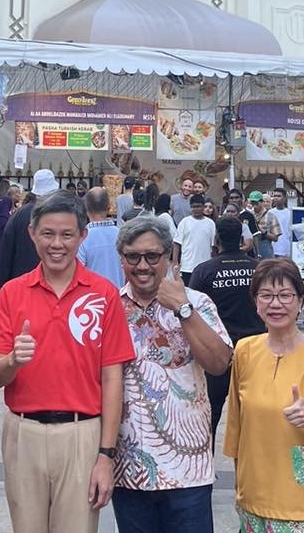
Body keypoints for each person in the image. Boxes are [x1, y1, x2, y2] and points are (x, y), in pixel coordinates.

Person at [0, 191, 135, 533]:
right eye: (48, 234)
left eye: (67, 235)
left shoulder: (104, 294)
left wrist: (105, 456)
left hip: (82, 433)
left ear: (83, 235)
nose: (57, 244)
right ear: (32, 233)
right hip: (24, 433)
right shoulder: (12, 292)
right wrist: (12, 362)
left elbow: (112, 379)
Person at [113, 217, 232, 532]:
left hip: (188, 470)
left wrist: (183, 310)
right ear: (121, 258)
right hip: (129, 469)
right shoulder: (110, 306)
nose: (143, 266)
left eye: (152, 256)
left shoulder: (197, 303)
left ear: (168, 257)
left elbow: (219, 363)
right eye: (132, 257)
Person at [225, 257, 304, 533]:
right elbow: (236, 423)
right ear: (256, 302)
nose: (275, 304)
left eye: (285, 295)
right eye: (266, 295)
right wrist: (239, 485)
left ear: (301, 300)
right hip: (255, 494)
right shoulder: (244, 350)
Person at [189, 216, 263, 445]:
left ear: (216, 240)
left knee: (210, 414)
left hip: (217, 351)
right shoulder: (258, 269)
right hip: (256, 350)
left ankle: (204, 467)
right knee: (254, 416)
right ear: (242, 239)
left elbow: (191, 310)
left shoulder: (204, 271)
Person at [0, 169, 59, 289]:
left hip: (20, 279)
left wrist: (1, 283)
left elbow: (6, 251)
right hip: (52, 280)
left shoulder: (19, 214)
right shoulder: (60, 214)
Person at [77, 187, 122, 288]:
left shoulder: (82, 239)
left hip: (92, 299)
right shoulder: (122, 236)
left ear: (86, 207)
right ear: (109, 207)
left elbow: (78, 273)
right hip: (119, 297)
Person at [173, 193, 215, 284]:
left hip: (205, 266)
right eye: (193, 207)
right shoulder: (184, 222)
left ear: (203, 207)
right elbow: (177, 243)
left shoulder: (210, 223)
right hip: (187, 267)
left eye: (198, 206)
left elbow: (213, 246)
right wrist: (175, 262)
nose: (196, 209)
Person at [269, 187, 293, 257]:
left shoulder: (290, 213)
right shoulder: (270, 213)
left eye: (279, 196)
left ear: (284, 198)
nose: (276, 198)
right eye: (274, 196)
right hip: (273, 248)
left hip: (286, 248)